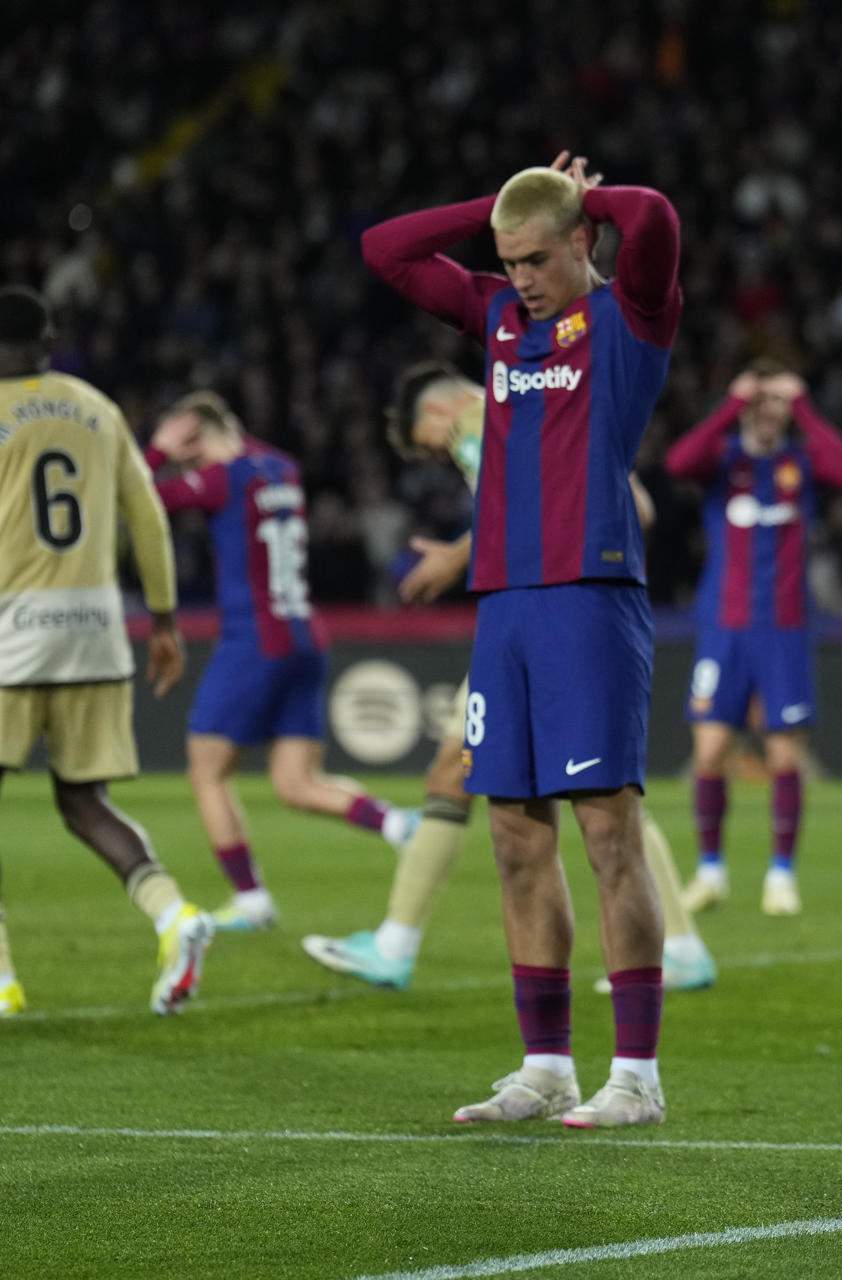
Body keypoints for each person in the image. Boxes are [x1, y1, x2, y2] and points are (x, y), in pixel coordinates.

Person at [362, 152, 682, 1128]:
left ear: (585, 241)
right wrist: (508, 198)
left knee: (608, 836)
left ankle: (637, 1073)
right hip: (504, 606)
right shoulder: (500, 319)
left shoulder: (630, 317)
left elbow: (657, 214)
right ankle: (546, 1063)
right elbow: (385, 250)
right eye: (507, 263)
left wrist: (581, 195)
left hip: (590, 597)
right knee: (512, 838)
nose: (522, 280)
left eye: (538, 258)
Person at [299, 362, 716, 993]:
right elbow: (639, 505)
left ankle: (677, 947)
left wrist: (457, 557)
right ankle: (394, 944)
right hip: (554, 615)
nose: (441, 457)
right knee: (459, 768)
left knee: (601, 797)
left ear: (435, 418)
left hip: (551, 615)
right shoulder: (552, 409)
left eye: (429, 446)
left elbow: (522, 500)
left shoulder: (477, 416)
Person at [0, 287, 214, 1018]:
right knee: (84, 799)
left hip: (12, 629)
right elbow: (149, 519)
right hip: (96, 624)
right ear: (49, 338)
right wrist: (162, 621)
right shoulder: (97, 407)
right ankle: (175, 915)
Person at [143, 392, 417, 933]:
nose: (189, 465)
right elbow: (242, 452)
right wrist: (219, 433)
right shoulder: (281, 467)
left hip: (254, 638)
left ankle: (250, 898)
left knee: (206, 770)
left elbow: (140, 501)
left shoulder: (224, 478)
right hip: (304, 636)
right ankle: (398, 824)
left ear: (201, 436)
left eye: (190, 451)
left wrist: (156, 453)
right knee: (295, 783)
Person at [664, 360, 842, 917]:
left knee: (784, 755)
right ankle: (710, 870)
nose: (766, 411)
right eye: (760, 401)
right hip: (724, 628)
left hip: (784, 630)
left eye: (775, 402)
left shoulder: (798, 464)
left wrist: (803, 406)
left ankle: (781, 875)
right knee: (708, 754)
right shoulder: (723, 461)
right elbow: (678, 461)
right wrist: (731, 403)